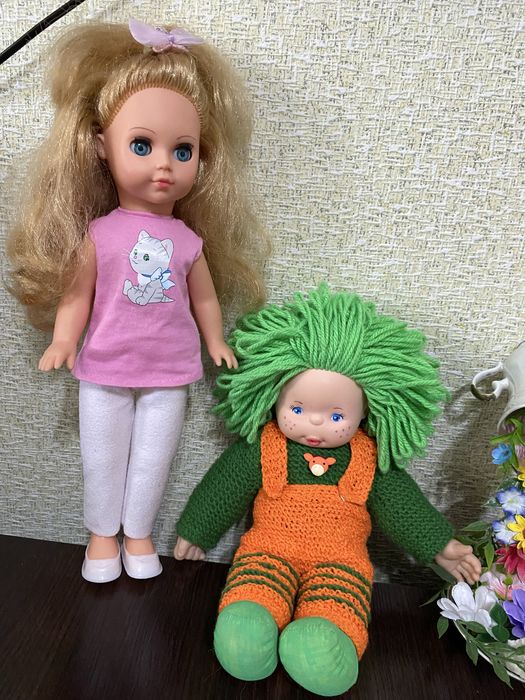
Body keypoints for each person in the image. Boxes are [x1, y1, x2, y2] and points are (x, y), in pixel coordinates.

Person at [7, 19, 268, 583]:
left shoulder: (189, 241)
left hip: (169, 372)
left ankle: (139, 532)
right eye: (142, 145)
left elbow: (204, 300)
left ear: (202, 159)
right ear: (102, 147)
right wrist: (63, 339)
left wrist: (216, 340)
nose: (163, 164)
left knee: (153, 458)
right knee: (102, 457)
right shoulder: (99, 234)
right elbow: (78, 294)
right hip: (103, 367)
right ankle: (103, 535)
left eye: (183, 149)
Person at [174, 284, 481, 696]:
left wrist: (439, 545)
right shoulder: (263, 447)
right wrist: (197, 530)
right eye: (298, 409)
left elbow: (402, 505)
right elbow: (224, 487)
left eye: (336, 416)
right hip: (269, 550)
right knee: (249, 608)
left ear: (365, 410)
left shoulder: (368, 459)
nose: (314, 423)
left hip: (340, 562)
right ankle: (249, 622)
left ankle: (322, 638)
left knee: (332, 614)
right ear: (274, 397)